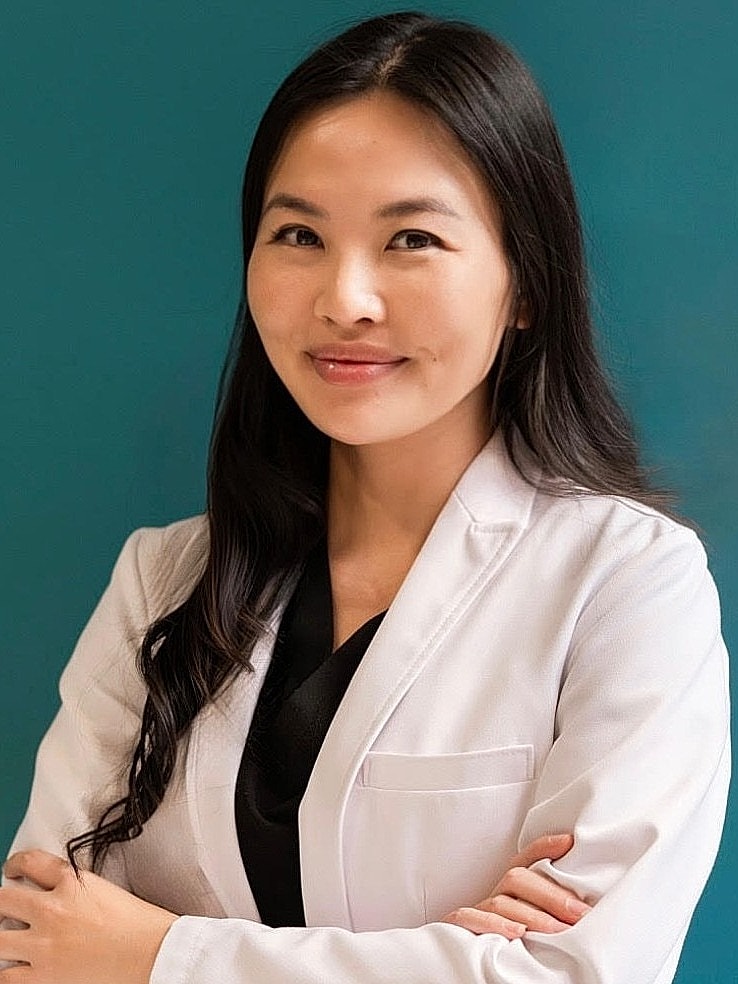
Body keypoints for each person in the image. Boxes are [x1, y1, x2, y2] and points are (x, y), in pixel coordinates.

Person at [0, 10, 730, 984]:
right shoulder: (164, 578)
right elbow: (32, 942)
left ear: (526, 289)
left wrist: (160, 954)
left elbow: (574, 973)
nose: (345, 298)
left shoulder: (626, 583)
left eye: (412, 239)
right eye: (298, 232)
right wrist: (444, 958)